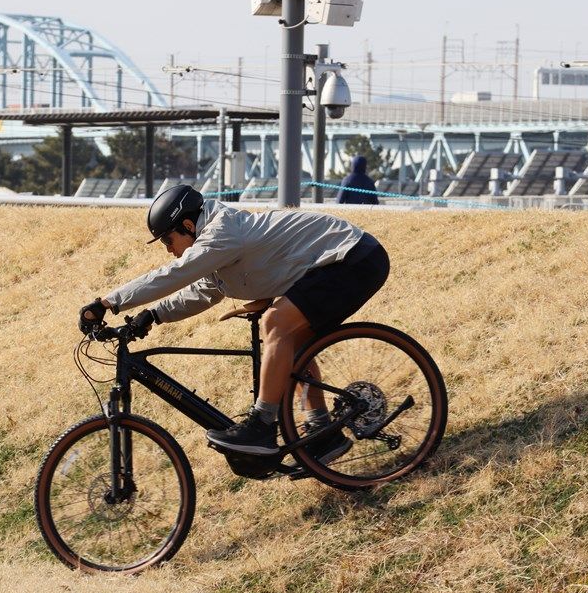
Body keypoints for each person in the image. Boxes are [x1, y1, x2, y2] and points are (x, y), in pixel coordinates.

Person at [79, 184, 390, 460]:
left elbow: (177, 273)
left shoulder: (223, 232)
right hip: (339, 262)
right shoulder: (216, 249)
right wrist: (153, 315)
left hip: (354, 258)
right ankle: (325, 434)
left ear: (188, 225)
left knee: (277, 324)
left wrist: (109, 302)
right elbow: (203, 291)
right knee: (290, 343)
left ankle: (261, 426)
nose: (170, 251)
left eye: (168, 241)